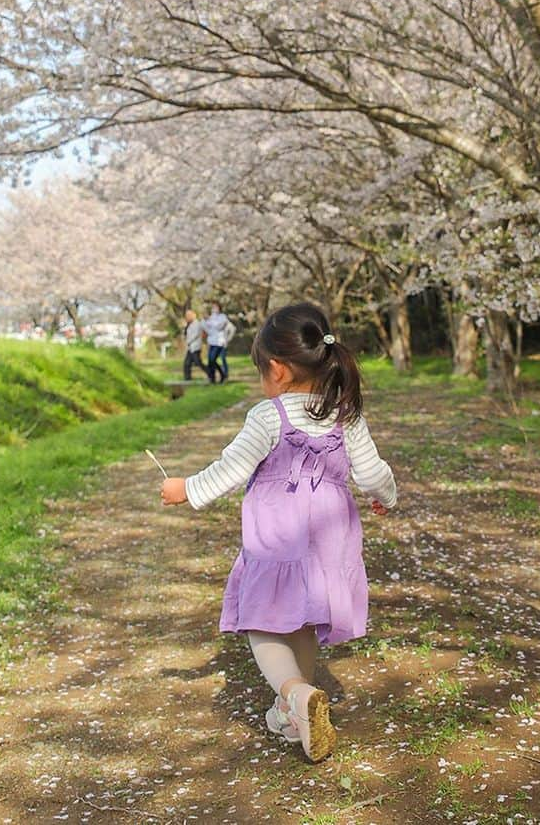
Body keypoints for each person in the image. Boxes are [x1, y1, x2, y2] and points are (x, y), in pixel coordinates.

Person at [159, 302, 397, 761]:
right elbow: (372, 473)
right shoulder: (345, 415)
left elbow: (230, 469)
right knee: (303, 619)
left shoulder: (268, 417)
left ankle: (293, 693)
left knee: (261, 621)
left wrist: (184, 489)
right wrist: (387, 498)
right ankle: (297, 715)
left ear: (277, 370)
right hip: (328, 540)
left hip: (277, 537)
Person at [202, 301, 236, 383]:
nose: (214, 309)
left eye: (216, 307)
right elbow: (206, 327)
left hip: (219, 342)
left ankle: (222, 375)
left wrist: (211, 324)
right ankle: (212, 378)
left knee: (213, 359)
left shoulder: (223, 317)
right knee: (210, 361)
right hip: (212, 342)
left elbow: (219, 326)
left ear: (219, 308)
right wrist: (207, 322)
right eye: (213, 307)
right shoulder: (211, 318)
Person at [182, 308, 207, 381]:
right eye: (186, 315)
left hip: (195, 347)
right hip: (190, 347)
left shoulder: (197, 324)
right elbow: (186, 334)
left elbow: (195, 335)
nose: (187, 317)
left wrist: (188, 341)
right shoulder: (189, 325)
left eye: (189, 315)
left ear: (194, 315)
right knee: (187, 363)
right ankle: (187, 378)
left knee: (198, 363)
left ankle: (210, 373)